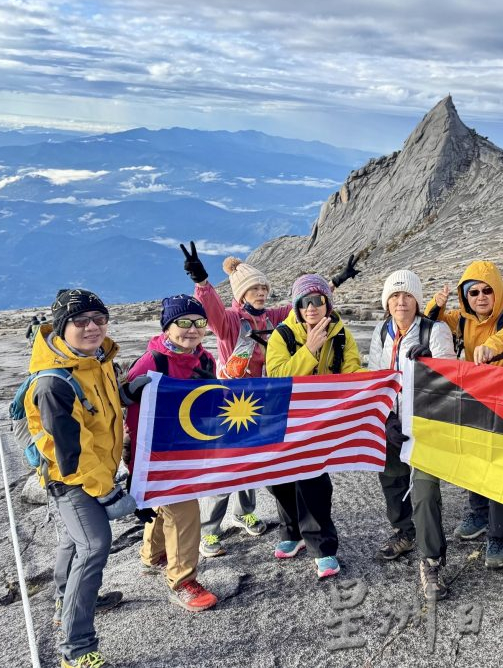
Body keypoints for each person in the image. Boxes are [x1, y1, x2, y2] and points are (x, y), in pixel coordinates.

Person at [24, 289, 152, 668]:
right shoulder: (53, 384)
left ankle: (67, 601)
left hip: (97, 469)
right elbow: (72, 455)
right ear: (63, 327)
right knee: (95, 545)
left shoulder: (96, 361)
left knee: (73, 537)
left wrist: (128, 392)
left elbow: (101, 409)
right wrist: (110, 493)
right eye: (81, 321)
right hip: (72, 478)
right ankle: (76, 649)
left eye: (99, 319)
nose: (92, 327)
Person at [180, 243, 290, 556]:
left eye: (264, 287)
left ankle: (245, 513)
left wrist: (333, 283)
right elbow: (212, 311)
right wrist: (202, 283)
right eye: (254, 288)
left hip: (260, 402)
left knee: (250, 462)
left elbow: (304, 306)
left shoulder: (273, 318)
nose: (261, 293)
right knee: (225, 465)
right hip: (229, 403)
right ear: (241, 294)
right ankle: (209, 531)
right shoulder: (229, 321)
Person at [424, 260, 503, 568]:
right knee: (475, 460)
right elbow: (432, 317)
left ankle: (498, 536)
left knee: (500, 468)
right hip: (475, 399)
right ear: (465, 296)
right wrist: (437, 302)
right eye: (473, 292)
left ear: (497, 291)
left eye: (487, 290)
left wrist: (490, 346)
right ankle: (478, 513)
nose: (481, 297)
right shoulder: (464, 319)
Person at [124, 295, 219, 612]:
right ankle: (182, 581)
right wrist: (137, 472)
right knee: (184, 511)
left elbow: (210, 412)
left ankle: (152, 555)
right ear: (167, 325)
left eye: (199, 323)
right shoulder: (151, 364)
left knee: (164, 508)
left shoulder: (205, 360)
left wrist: (214, 390)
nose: (192, 330)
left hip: (189, 449)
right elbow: (135, 424)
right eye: (184, 322)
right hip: (159, 455)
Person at [265, 274, 362, 580]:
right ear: (296, 306)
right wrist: (308, 350)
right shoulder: (282, 335)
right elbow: (277, 376)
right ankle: (292, 532)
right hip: (284, 416)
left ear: (327, 303)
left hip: (319, 419)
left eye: (318, 300)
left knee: (313, 479)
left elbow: (353, 371)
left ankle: (323, 548)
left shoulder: (342, 333)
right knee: (279, 478)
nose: (311, 308)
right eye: (304, 302)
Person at [366, 270, 455, 597]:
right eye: (394, 296)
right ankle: (404, 532)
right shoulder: (380, 331)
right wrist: (387, 417)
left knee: (424, 491)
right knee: (391, 479)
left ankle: (431, 561)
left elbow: (451, 380)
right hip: (390, 421)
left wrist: (431, 365)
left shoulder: (435, 330)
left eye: (407, 296)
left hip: (426, 425)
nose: (400, 302)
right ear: (386, 302)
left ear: (418, 300)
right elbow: (377, 377)